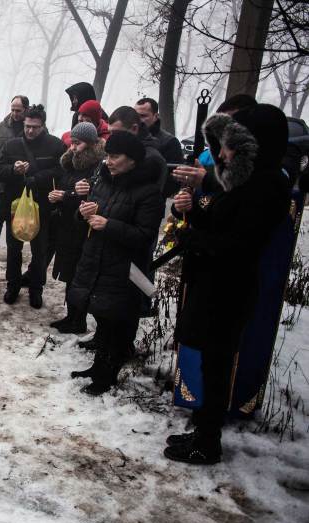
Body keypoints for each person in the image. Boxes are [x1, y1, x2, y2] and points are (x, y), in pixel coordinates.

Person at [164, 105, 291, 465]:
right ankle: (203, 427)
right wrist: (192, 212)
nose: (221, 153)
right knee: (208, 363)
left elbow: (240, 245)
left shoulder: (267, 189)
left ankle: (208, 441)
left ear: (253, 146)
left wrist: (194, 239)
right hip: (214, 285)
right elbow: (219, 227)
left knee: (218, 366)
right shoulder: (244, 184)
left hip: (228, 291)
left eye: (229, 146)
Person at [67, 131, 164, 395]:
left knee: (115, 323)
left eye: (115, 156)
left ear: (132, 159)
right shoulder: (105, 182)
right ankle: (98, 367)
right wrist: (82, 212)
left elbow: (145, 236)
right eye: (108, 155)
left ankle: (107, 375)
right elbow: (87, 215)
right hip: (96, 259)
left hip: (123, 268)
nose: (108, 161)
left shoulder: (148, 193)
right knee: (102, 318)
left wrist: (109, 226)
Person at [0, 104, 66, 309]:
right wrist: (13, 170)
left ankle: (36, 289)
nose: (30, 131)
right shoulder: (11, 146)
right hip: (15, 205)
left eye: (35, 127)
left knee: (40, 250)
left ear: (43, 125)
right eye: (27, 126)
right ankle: (13, 286)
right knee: (13, 249)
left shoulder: (55, 145)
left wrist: (38, 178)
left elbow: (61, 172)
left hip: (42, 205)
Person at [47, 122, 106, 334]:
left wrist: (66, 196)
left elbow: (92, 195)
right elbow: (67, 186)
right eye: (72, 143)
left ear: (90, 143)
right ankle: (71, 316)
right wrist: (58, 195)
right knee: (70, 274)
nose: (73, 147)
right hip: (67, 227)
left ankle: (78, 319)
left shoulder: (98, 166)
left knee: (78, 276)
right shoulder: (71, 163)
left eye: (77, 143)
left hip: (82, 230)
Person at [0, 95, 29, 261]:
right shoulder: (2, 127)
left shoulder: (31, 127)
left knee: (16, 218)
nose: (15, 113)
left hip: (24, 182)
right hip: (3, 178)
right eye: (12, 110)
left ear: (26, 110)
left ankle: (14, 250)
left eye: (18, 110)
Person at [107, 106, 168, 195]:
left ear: (134, 129)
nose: (112, 137)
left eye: (116, 133)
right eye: (110, 132)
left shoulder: (151, 158)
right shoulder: (115, 148)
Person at [134, 97, 184, 164]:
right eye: (135, 115)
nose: (138, 120)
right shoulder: (129, 137)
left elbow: (173, 171)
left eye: (143, 116)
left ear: (156, 116)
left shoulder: (170, 142)